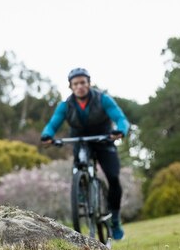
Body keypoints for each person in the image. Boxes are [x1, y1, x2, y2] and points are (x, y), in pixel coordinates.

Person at [40, 67, 130, 240]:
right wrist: (47, 135)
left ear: (89, 83)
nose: (80, 86)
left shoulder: (103, 99)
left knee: (113, 177)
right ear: (71, 87)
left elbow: (120, 118)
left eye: (83, 82)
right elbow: (53, 124)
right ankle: (81, 188)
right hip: (80, 141)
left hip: (104, 139)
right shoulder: (65, 106)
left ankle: (116, 219)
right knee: (78, 166)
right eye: (76, 84)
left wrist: (120, 130)